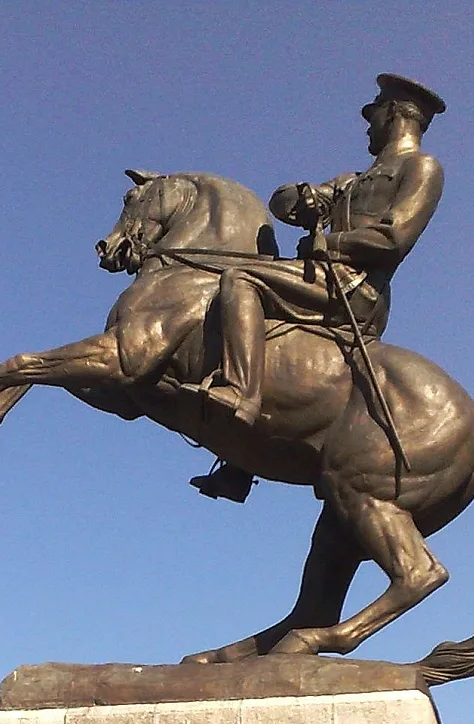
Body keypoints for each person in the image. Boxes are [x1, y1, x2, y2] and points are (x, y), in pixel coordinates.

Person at [189, 73, 446, 502]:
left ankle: (241, 395)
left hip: (355, 288)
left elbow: (395, 238)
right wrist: (301, 197)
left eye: (373, 114)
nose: (368, 125)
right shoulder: (352, 180)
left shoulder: (421, 168)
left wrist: (329, 243)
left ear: (393, 113)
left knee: (241, 278)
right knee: (259, 323)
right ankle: (238, 466)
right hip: (321, 279)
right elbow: (285, 203)